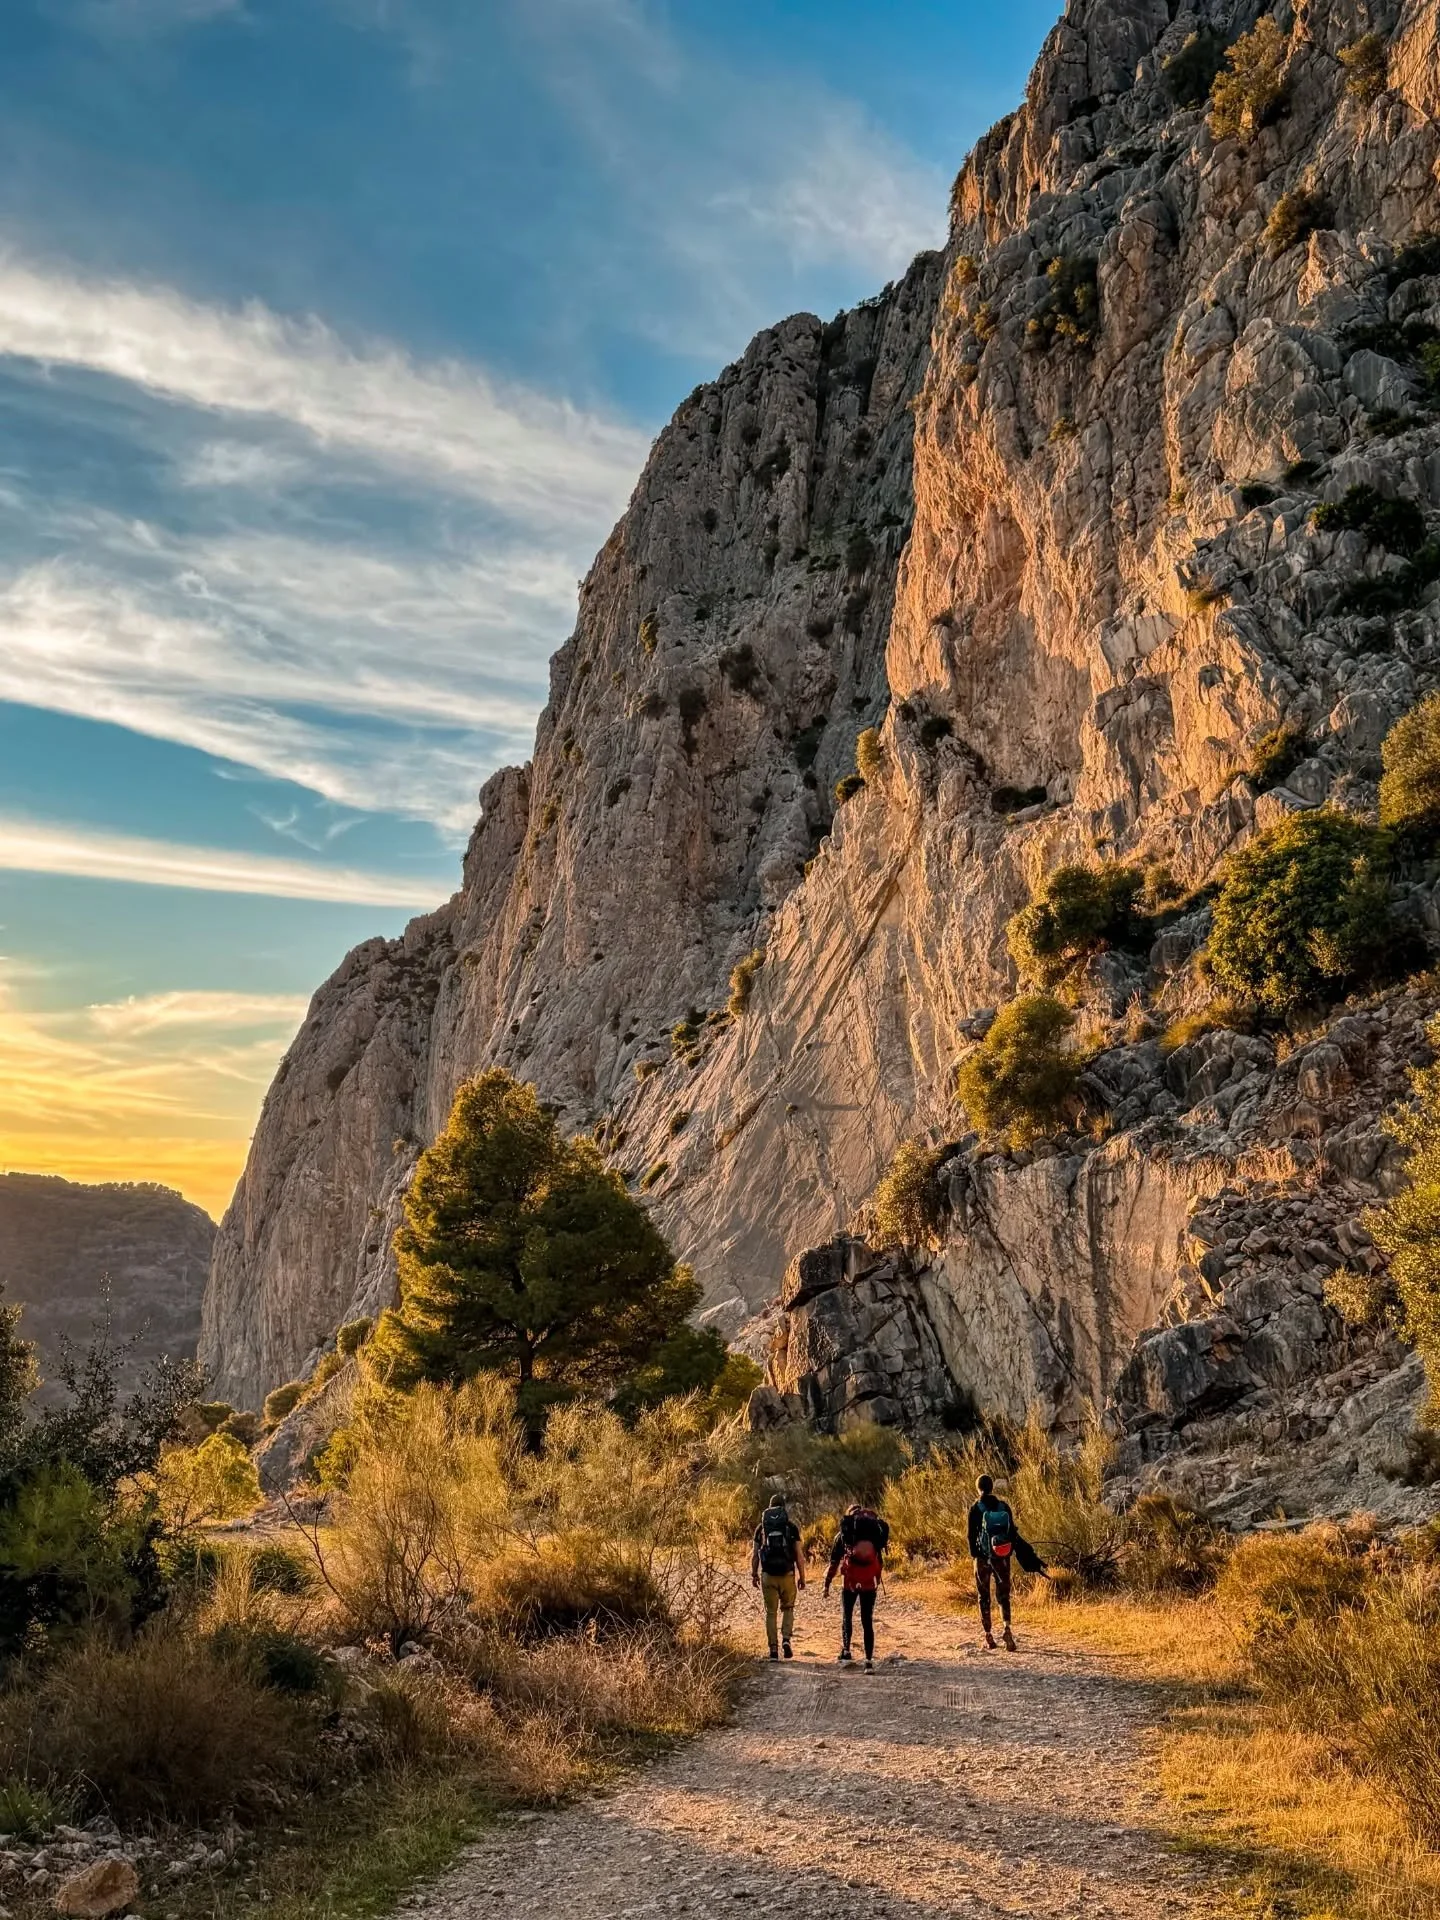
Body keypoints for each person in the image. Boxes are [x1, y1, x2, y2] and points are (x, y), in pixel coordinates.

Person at [823, 1502, 890, 1670]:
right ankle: (868, 1661)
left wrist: (827, 1584)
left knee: (847, 1615)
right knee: (867, 1620)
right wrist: (875, 1580)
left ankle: (846, 1651)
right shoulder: (874, 1532)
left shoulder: (844, 1534)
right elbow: (879, 1561)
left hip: (850, 1581)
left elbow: (834, 1562)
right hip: (869, 1582)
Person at [968, 1473, 1029, 1650]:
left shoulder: (975, 1508)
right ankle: (1007, 1629)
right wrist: (1006, 1552)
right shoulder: (1003, 1506)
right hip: (1001, 1557)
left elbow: (971, 1535)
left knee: (983, 1596)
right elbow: (1012, 1531)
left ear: (978, 1488)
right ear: (991, 1487)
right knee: (1003, 1596)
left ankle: (988, 1635)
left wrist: (976, 1555)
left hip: (982, 1559)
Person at [751, 1493, 805, 1660]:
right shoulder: (791, 1527)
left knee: (771, 1613)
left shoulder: (761, 1528)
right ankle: (786, 1640)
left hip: (768, 1575)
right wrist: (802, 1577)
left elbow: (755, 1555)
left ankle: (773, 1649)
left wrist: (754, 1574)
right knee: (788, 1608)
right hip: (787, 1574)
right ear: (783, 1507)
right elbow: (799, 1555)